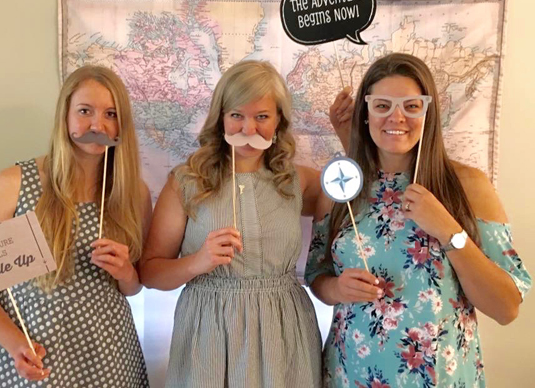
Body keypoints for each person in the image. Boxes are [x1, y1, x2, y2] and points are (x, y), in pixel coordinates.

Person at [306, 53, 531, 387]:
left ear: (428, 113)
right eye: (382, 105)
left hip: (439, 377)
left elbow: (506, 308)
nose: (397, 116)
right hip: (351, 373)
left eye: (411, 106)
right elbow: (316, 275)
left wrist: (449, 232)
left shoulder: (467, 186)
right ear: (365, 114)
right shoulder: (343, 187)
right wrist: (337, 288)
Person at [140, 60, 323, 387]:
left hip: (283, 328)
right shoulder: (187, 182)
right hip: (209, 331)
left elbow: (356, 193)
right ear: (221, 117)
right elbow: (150, 273)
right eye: (237, 115)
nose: (248, 130)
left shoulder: (298, 181)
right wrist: (197, 262)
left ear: (279, 119)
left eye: (262, 117)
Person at [0, 66, 152, 387]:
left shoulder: (132, 193)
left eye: (111, 113)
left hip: (108, 358)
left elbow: (134, 287)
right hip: (31, 355)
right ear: (64, 116)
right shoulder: (14, 184)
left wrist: (125, 273)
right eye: (84, 111)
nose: (98, 124)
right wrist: (15, 344)